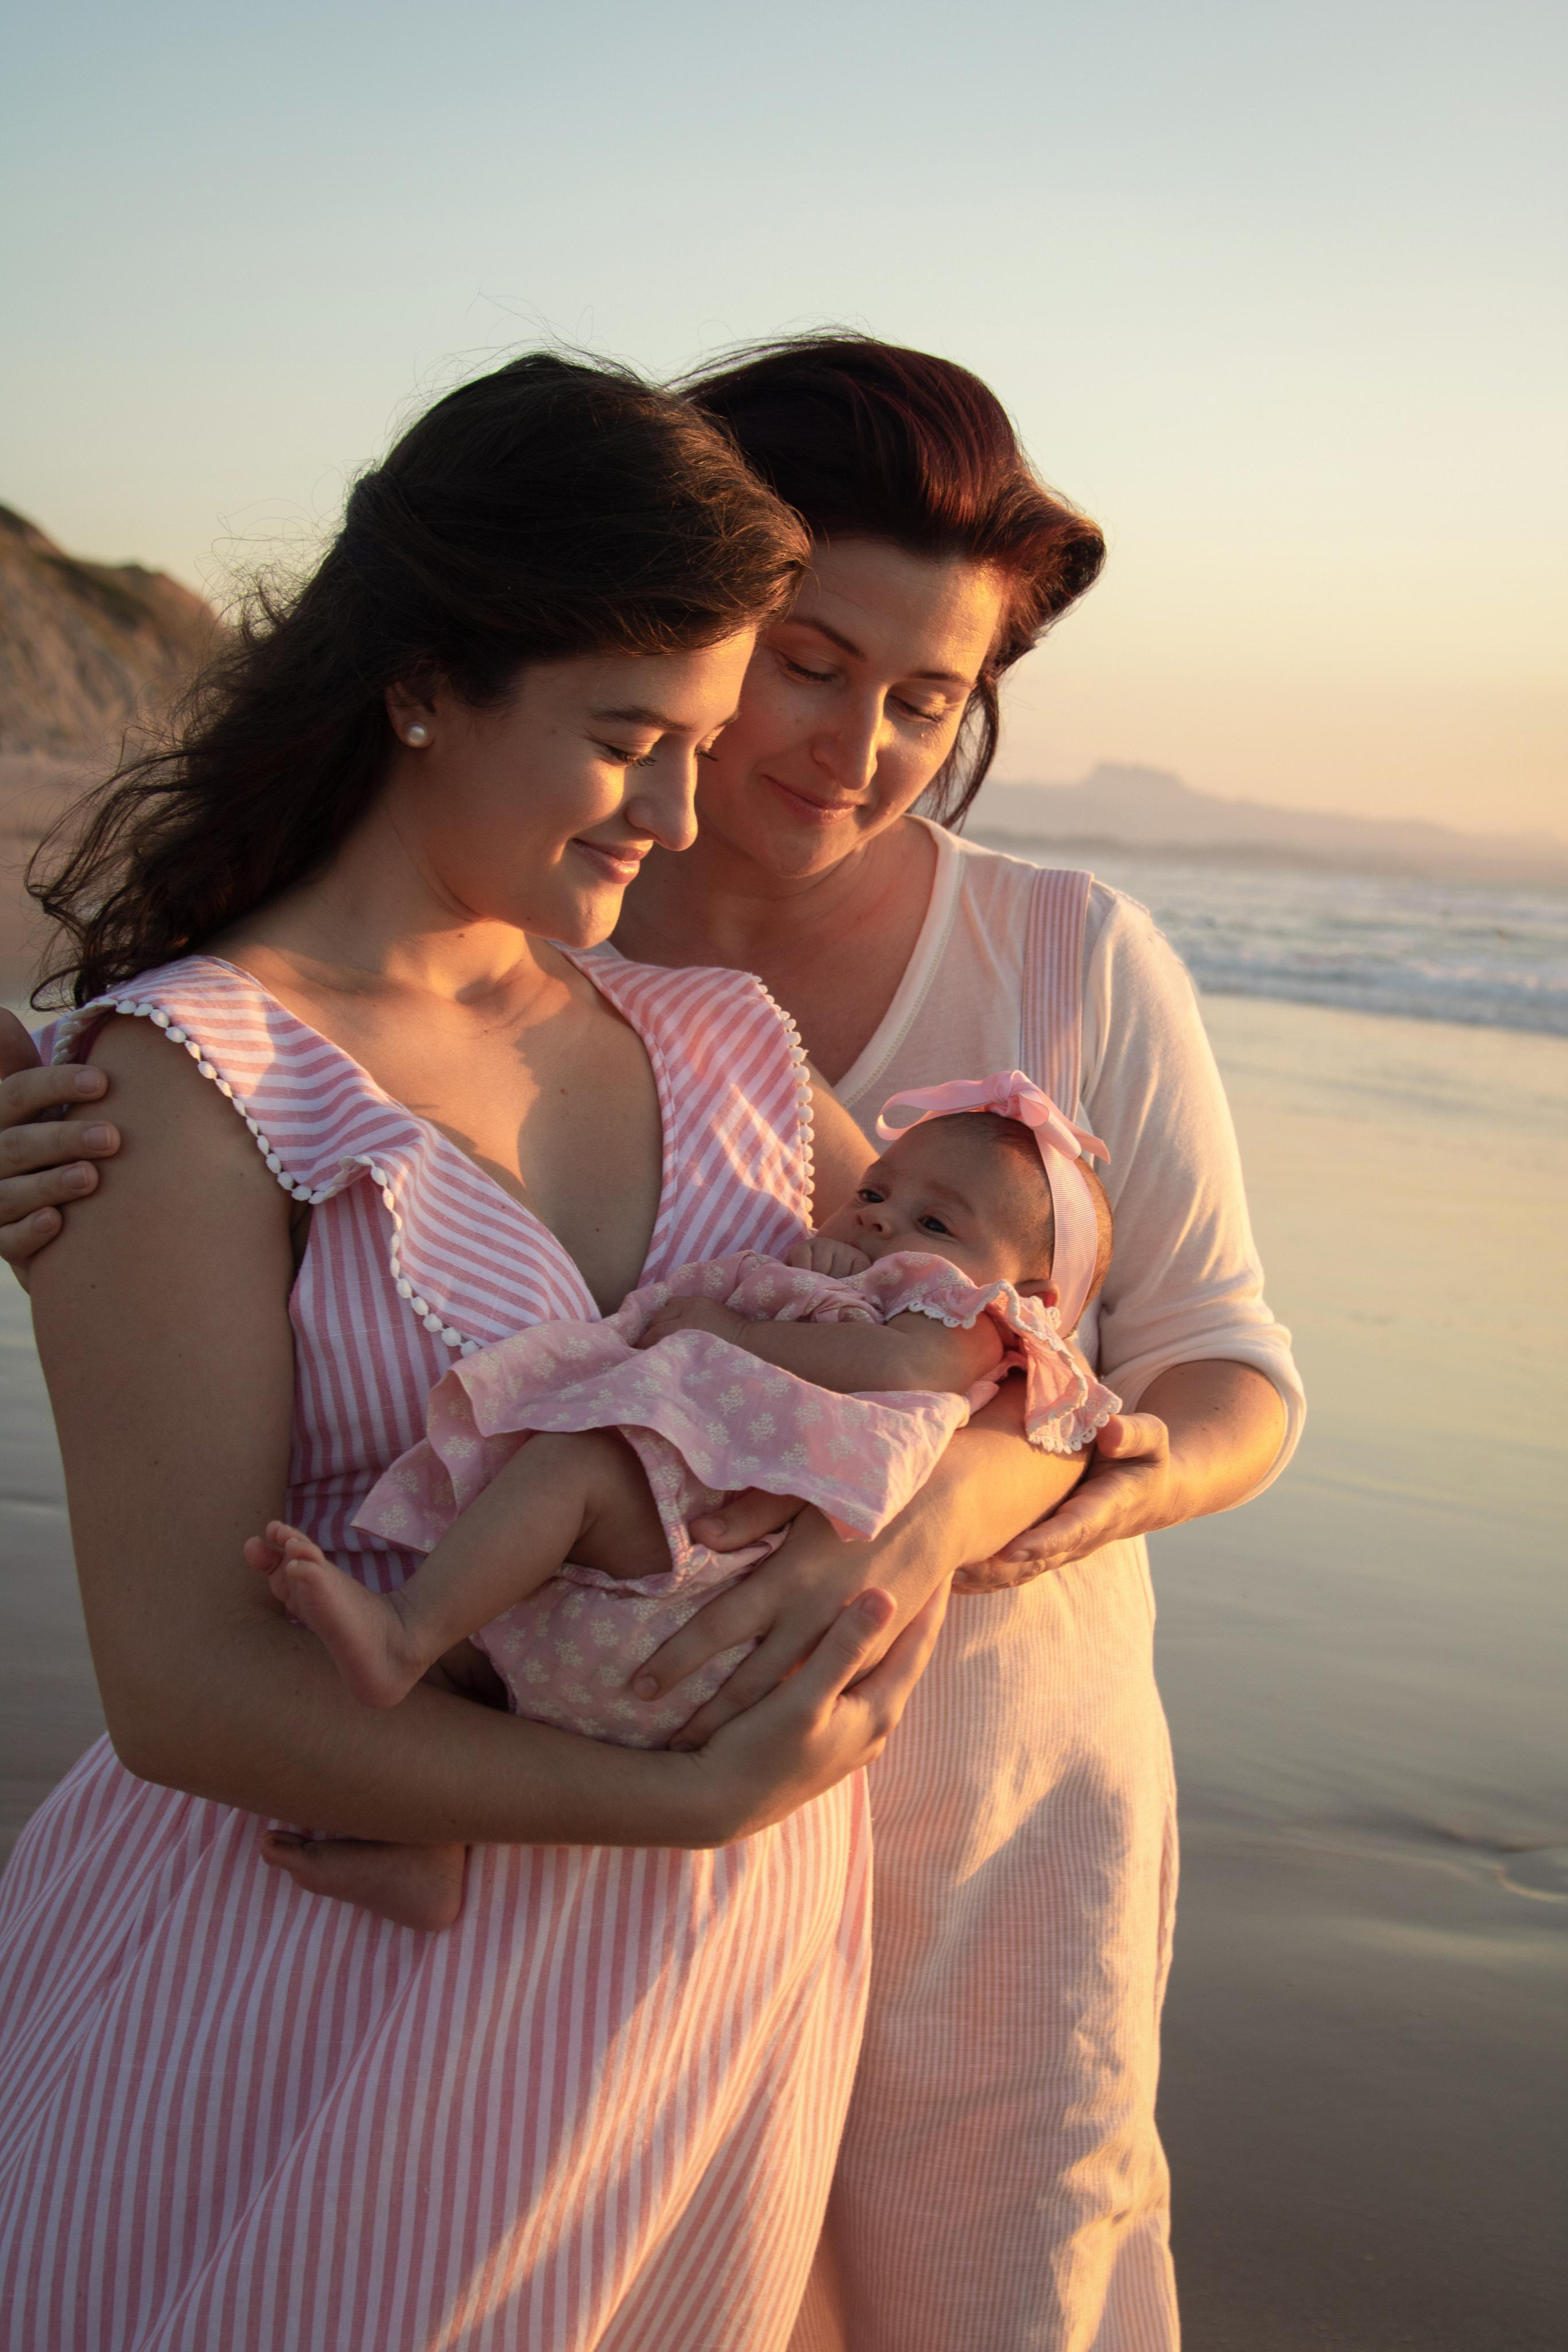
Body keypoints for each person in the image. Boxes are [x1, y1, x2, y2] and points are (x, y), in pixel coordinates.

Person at [0, 335, 1305, 2352]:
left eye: (704, 734)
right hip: (334, 2018)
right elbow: (181, 1686)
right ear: (425, 681)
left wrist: (951, 1502)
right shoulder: (186, 1079)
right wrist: (685, 1806)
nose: (692, 806)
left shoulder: (721, 1046)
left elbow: (1033, 1361)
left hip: (709, 2026)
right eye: (641, 735)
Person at [239, 1076, 1118, 1932]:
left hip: (709, 1587)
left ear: (1037, 1303)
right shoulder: (861, 1284)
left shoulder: (971, 1324)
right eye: (875, 1193)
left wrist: (737, 1331)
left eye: (935, 1223)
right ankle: (426, 1848)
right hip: (651, 1616)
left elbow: (902, 1368)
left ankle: (403, 1633)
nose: (883, 1219)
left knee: (576, 1468)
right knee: (479, 1658)